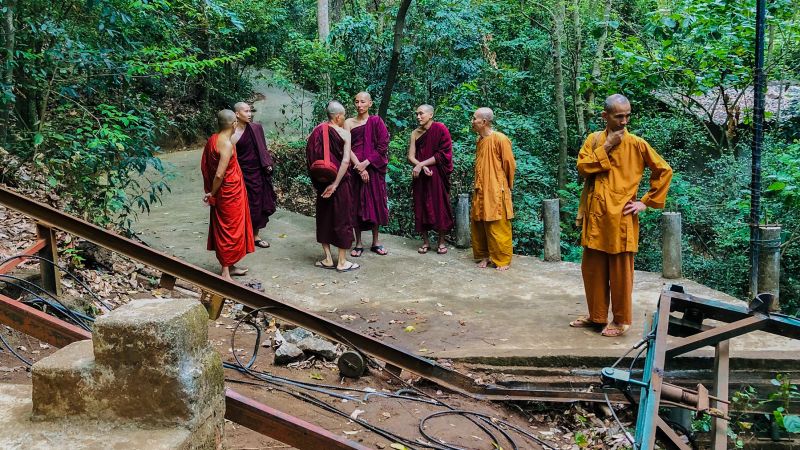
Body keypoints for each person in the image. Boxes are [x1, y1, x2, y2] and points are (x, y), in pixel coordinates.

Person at [570, 94, 673, 337]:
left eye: (627, 115)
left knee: (620, 274)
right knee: (592, 269)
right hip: (596, 215)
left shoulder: (636, 144)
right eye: (619, 116)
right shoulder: (594, 140)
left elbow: (664, 170)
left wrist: (645, 202)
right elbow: (583, 169)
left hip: (621, 218)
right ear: (605, 116)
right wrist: (606, 147)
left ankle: (621, 320)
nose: (624, 121)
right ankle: (596, 316)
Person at [306, 101, 359, 272]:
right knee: (343, 219)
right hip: (340, 183)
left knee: (325, 218)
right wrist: (335, 184)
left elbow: (310, 155)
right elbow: (345, 160)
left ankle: (328, 259)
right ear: (338, 117)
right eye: (343, 116)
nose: (344, 119)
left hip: (322, 181)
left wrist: (320, 181)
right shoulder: (344, 133)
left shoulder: (316, 131)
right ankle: (342, 262)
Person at [201, 109, 255, 280]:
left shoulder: (213, 139)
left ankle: (230, 266)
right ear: (233, 124)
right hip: (227, 193)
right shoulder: (226, 144)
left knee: (230, 227)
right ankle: (225, 271)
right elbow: (219, 174)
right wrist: (212, 193)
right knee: (229, 230)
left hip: (232, 190)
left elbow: (206, 166)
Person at [345, 92, 390, 257]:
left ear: (370, 104)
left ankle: (375, 241)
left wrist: (367, 163)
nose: (359, 105)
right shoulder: (349, 122)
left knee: (375, 203)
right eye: (356, 101)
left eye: (362, 102)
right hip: (355, 168)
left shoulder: (376, 121)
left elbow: (383, 145)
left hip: (374, 169)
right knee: (355, 204)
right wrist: (359, 166)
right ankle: (358, 243)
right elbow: (346, 147)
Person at [470, 107, 516, 271]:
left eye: (474, 118)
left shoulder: (500, 139)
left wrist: (505, 186)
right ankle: (485, 256)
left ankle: (502, 259)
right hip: (480, 188)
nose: (472, 121)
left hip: (496, 188)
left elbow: (509, 164)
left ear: (484, 122)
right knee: (479, 221)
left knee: (497, 222)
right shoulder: (480, 140)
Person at [407, 104, 454, 254]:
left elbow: (444, 154)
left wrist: (422, 164)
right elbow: (410, 157)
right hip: (420, 175)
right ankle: (426, 242)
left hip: (436, 174)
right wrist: (420, 166)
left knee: (439, 206)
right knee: (421, 206)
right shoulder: (415, 133)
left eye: (421, 114)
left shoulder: (440, 129)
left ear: (430, 115)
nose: (418, 117)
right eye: (417, 114)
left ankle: (441, 242)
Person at [231, 102, 277, 249]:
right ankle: (242, 235)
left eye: (250, 111)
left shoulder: (256, 128)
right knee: (241, 206)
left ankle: (255, 235)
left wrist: (267, 163)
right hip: (241, 174)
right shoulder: (232, 134)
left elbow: (263, 148)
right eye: (246, 111)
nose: (249, 114)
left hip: (258, 172)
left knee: (258, 205)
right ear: (237, 114)